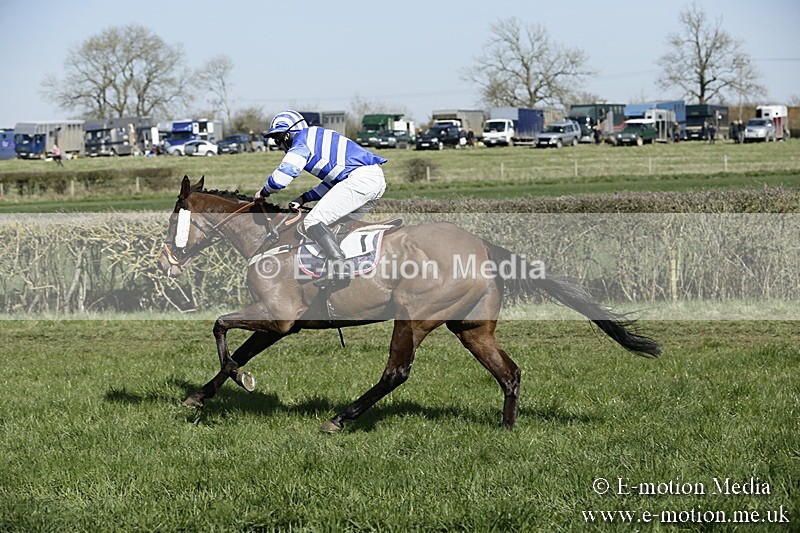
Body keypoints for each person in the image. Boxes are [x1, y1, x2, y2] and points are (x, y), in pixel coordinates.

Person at [256, 110, 387, 285]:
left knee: (312, 222)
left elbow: (284, 176)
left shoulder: (301, 142)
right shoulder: (315, 136)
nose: (278, 145)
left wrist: (263, 192)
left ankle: (340, 268)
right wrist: (304, 198)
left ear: (287, 135)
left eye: (277, 139)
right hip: (373, 180)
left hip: (361, 180)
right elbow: (333, 182)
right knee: (337, 227)